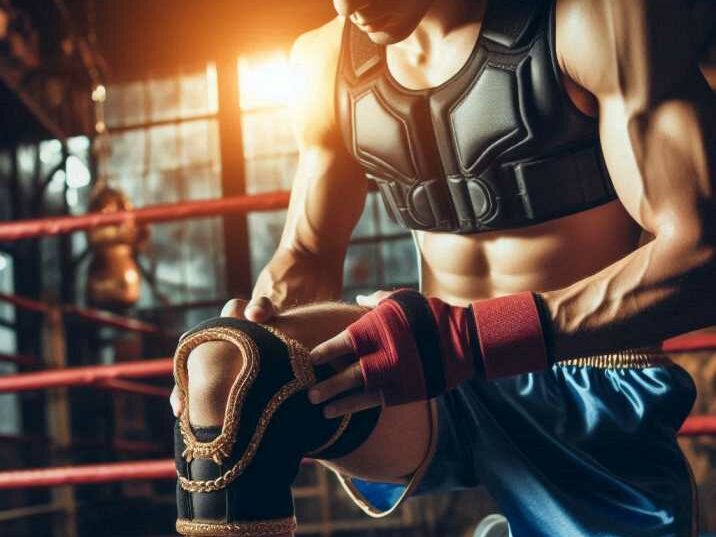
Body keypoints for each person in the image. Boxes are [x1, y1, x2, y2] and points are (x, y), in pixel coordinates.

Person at [172, 0, 715, 535]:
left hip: (587, 378)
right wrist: (256, 336)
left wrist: (471, 340)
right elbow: (307, 254)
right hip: (429, 375)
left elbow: (702, 254)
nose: (347, 5)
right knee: (227, 368)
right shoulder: (323, 60)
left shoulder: (595, 18)